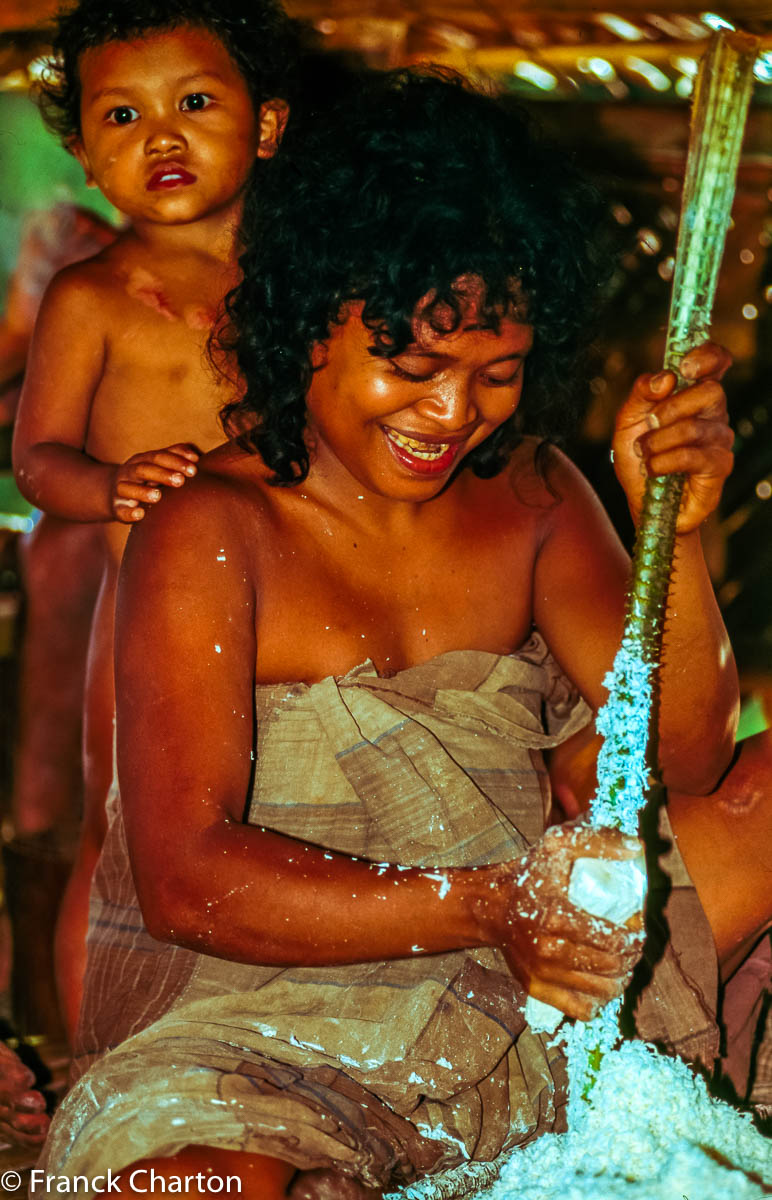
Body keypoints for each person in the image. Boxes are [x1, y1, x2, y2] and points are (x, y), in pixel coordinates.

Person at [41, 70, 764, 1199]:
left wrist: (669, 519)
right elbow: (185, 879)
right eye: (412, 367)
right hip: (271, 1005)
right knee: (200, 1184)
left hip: (534, 961)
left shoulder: (531, 491)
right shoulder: (210, 528)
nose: (449, 415)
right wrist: (485, 905)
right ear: (305, 323)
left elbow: (678, 758)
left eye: (497, 375)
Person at [9, 0, 299, 1148]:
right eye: (120, 115)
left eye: (195, 103)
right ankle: (96, 1071)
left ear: (268, 125)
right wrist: (114, 486)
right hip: (144, 615)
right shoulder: (91, 296)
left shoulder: (304, 281)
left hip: (293, 607)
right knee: (118, 831)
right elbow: (38, 457)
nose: (159, 135)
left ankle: (255, 1066)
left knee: (271, 825)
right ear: (84, 153)